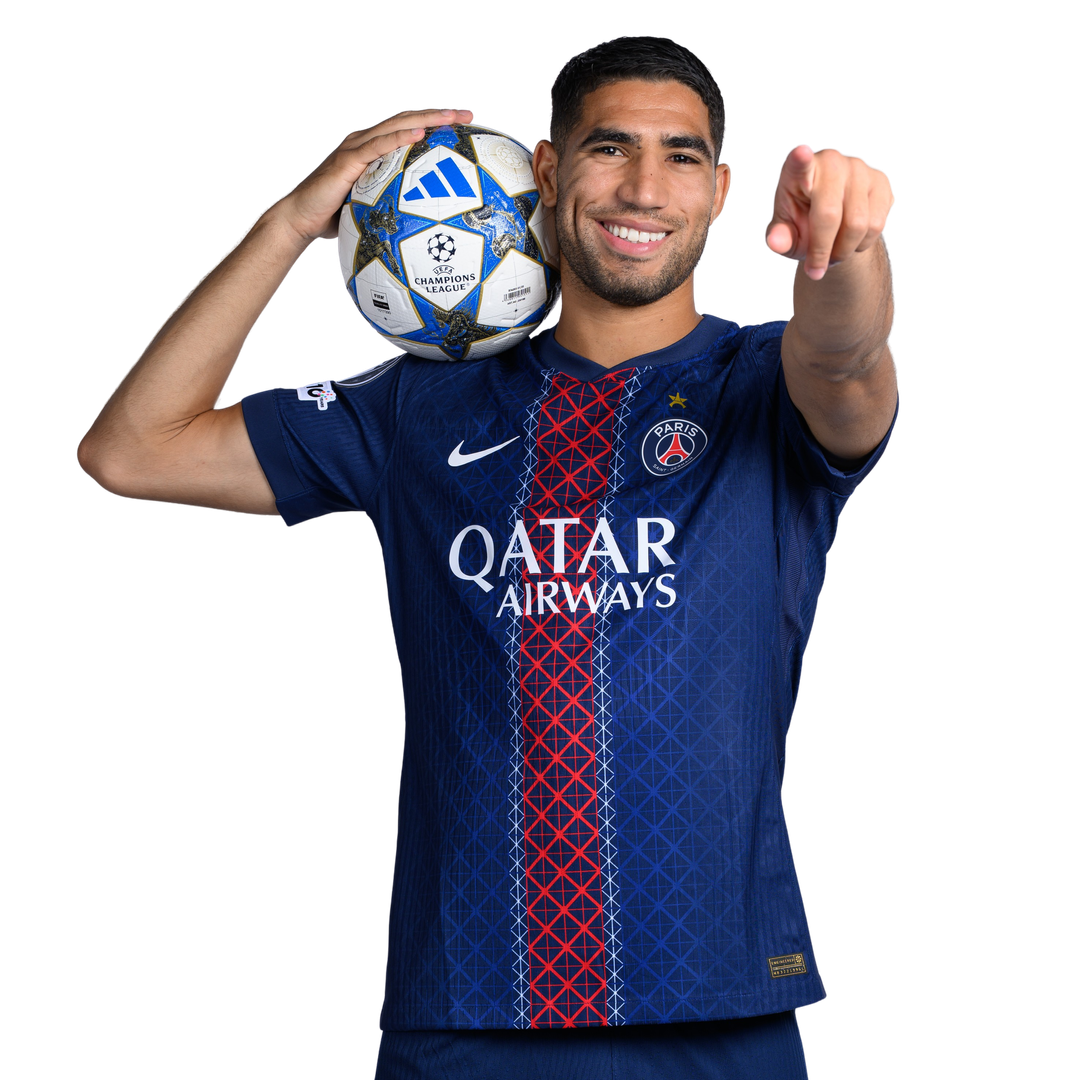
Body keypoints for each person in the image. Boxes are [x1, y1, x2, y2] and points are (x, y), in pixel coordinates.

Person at [77, 34, 898, 1080]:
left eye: (682, 156)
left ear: (720, 191)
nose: (644, 186)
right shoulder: (421, 399)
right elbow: (126, 449)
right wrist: (291, 222)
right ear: (546, 173)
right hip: (467, 1010)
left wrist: (845, 246)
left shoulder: (763, 383)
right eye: (609, 148)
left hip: (719, 1008)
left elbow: (847, 355)